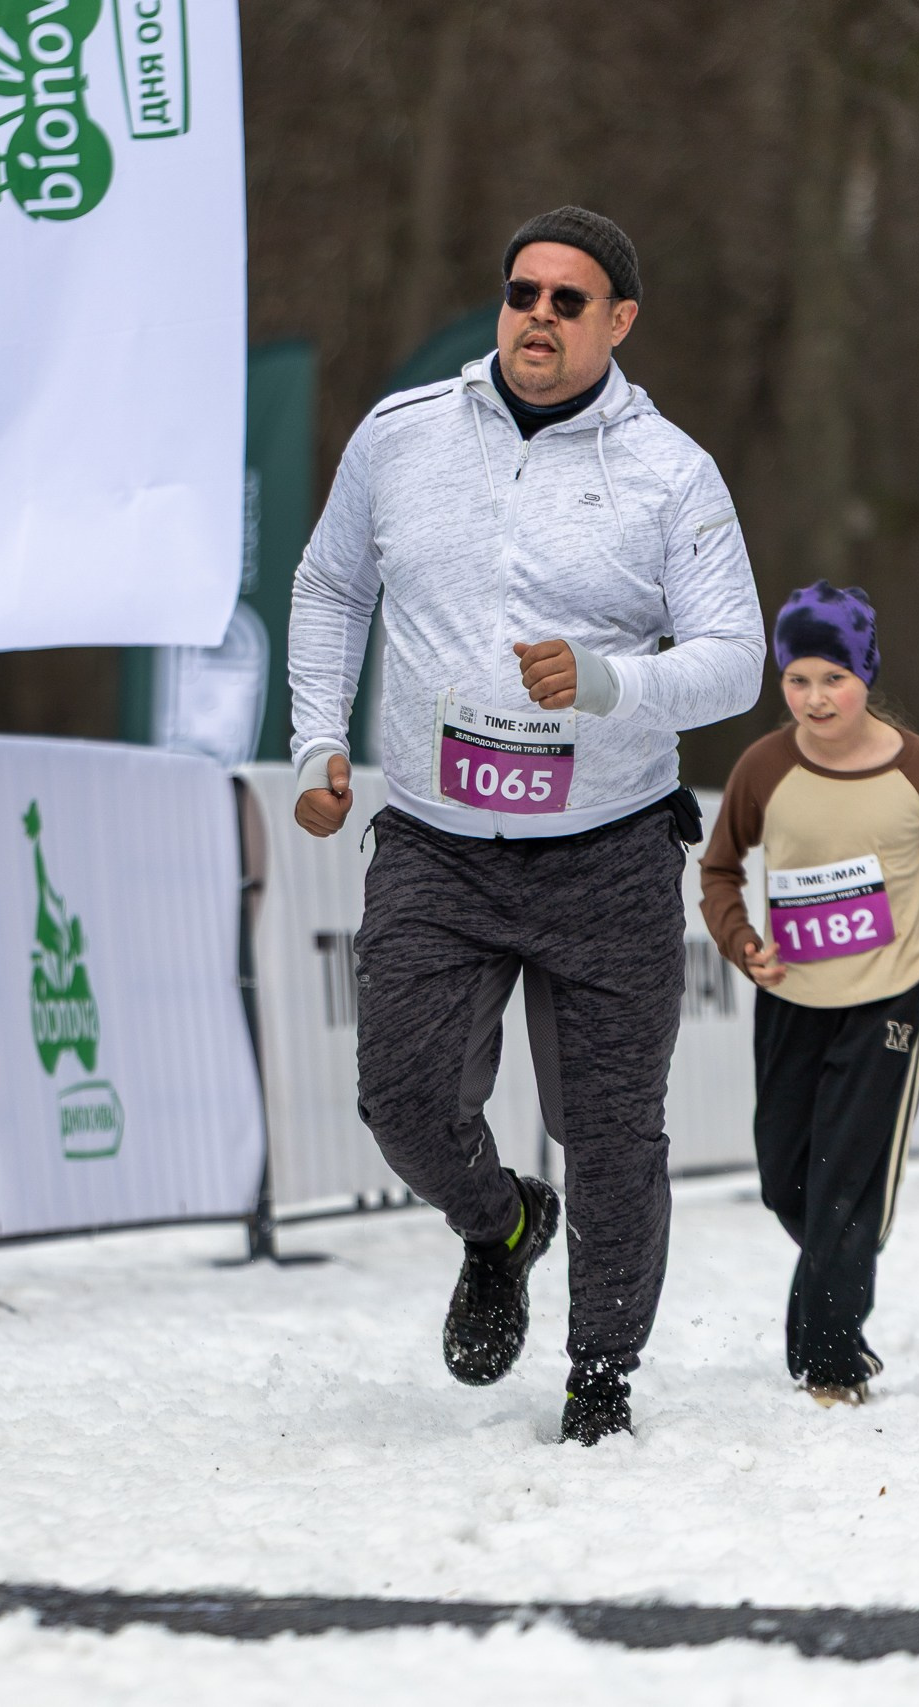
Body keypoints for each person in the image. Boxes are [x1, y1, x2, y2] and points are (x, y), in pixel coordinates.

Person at [289, 207, 763, 1445]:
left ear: (618, 322)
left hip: (606, 846)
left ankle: (600, 1372)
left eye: (568, 300)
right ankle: (500, 1224)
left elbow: (734, 663)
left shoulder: (673, 473)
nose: (538, 317)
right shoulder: (401, 439)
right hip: (438, 840)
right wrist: (317, 740)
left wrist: (612, 684)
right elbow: (331, 585)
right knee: (396, 1097)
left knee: (610, 1130)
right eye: (522, 293)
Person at [700, 584, 919, 1406]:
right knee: (786, 1182)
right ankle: (833, 1287)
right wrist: (741, 940)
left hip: (890, 997)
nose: (816, 698)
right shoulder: (764, 767)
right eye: (798, 679)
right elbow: (719, 870)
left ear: (867, 675)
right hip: (791, 997)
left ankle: (831, 1359)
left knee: (847, 1182)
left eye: (834, 678)